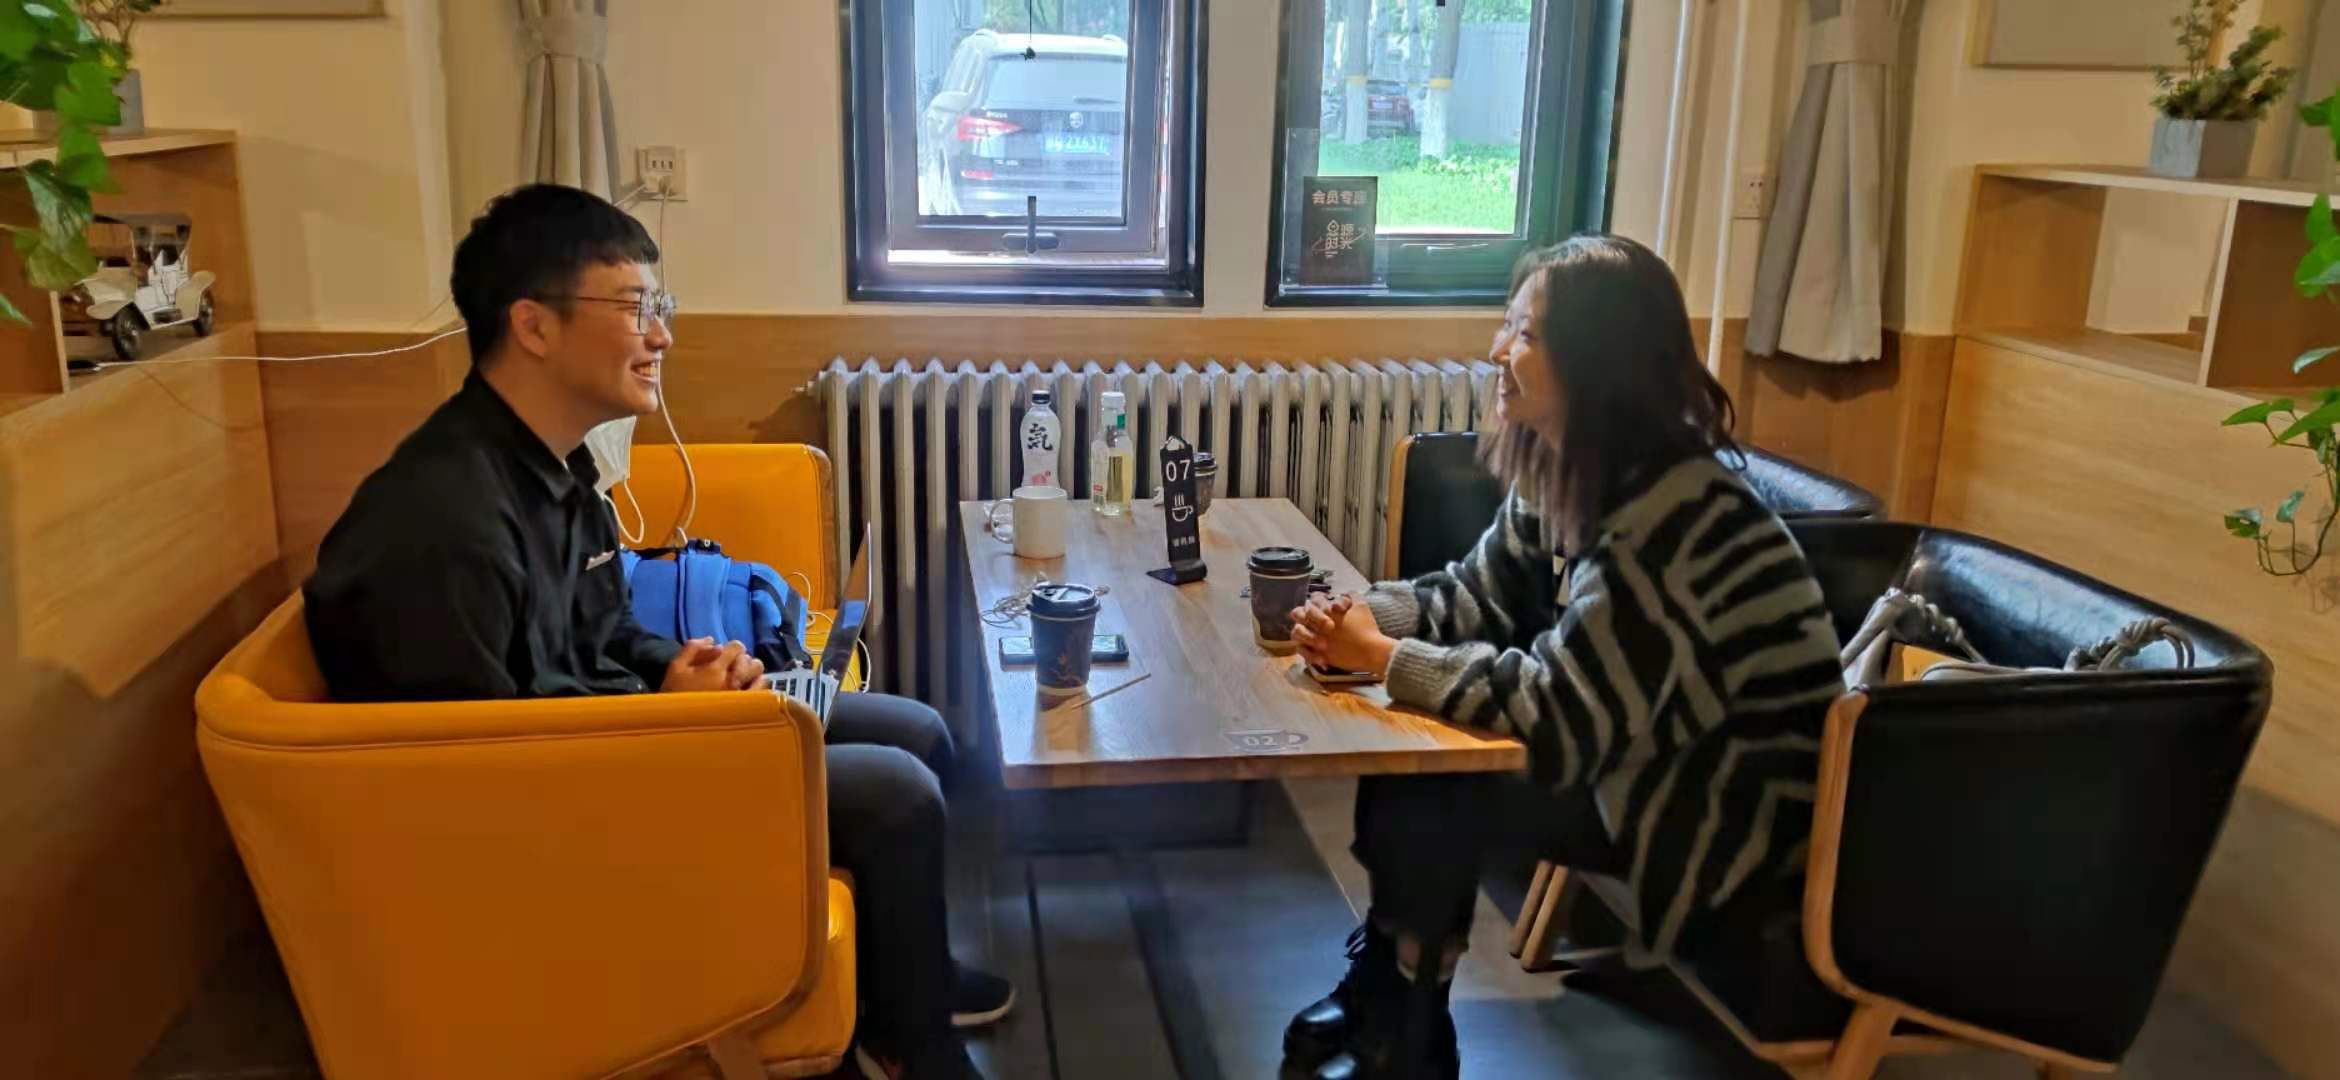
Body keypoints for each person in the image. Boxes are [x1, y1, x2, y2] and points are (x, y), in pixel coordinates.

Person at [302, 184, 1006, 1080]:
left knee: (918, 729)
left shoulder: (556, 469)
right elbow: (478, 772)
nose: (662, 335)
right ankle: (915, 1049)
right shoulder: (443, 523)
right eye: (636, 307)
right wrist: (670, 720)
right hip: (570, 809)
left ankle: (908, 985)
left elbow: (606, 628)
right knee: (896, 792)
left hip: (621, 738)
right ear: (534, 325)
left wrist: (683, 665)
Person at [1276, 234, 1845, 1079]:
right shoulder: (1575, 469)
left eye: (1526, 333)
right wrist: (1358, 616)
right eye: (1507, 325)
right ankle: (1392, 989)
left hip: (1728, 818)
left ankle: (1412, 1027)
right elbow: (1478, 595)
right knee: (1415, 749)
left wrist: (1387, 657)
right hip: (1651, 762)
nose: (1497, 351)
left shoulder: (1677, 515)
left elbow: (1565, 717)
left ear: (1600, 359)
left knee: (1436, 774)